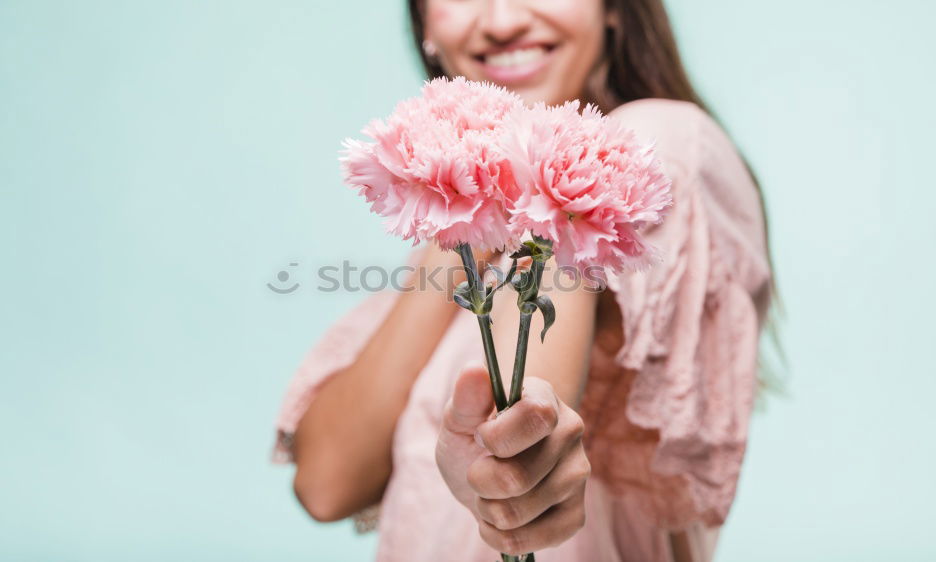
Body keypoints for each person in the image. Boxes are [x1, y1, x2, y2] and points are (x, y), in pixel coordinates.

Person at [272, 0, 773, 560]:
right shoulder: (460, 241)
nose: (503, 19)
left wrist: (517, 470)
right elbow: (325, 484)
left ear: (613, 10)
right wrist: (461, 208)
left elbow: (526, 427)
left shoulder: (654, 143)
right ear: (425, 24)